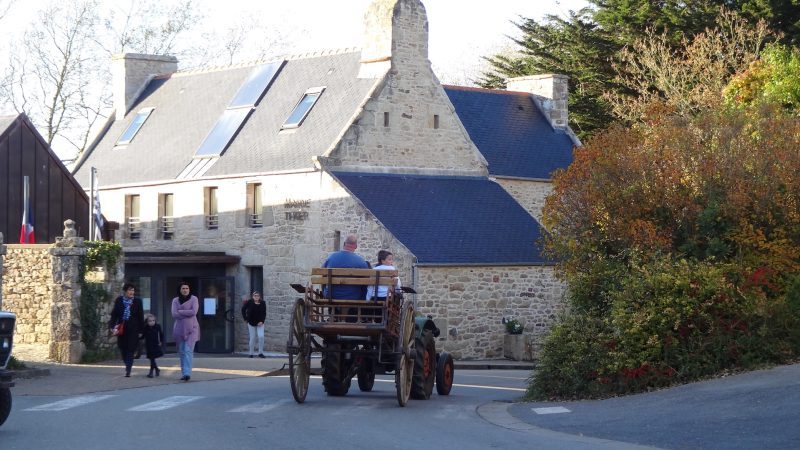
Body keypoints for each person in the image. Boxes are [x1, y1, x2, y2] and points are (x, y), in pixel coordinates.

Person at [108, 283, 145, 377]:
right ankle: (127, 364)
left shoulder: (137, 301)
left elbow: (140, 316)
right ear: (125, 291)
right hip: (122, 328)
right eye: (129, 290)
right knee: (122, 347)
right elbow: (114, 315)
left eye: (133, 290)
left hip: (133, 329)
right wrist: (112, 326)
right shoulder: (119, 300)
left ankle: (128, 368)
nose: (131, 292)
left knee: (131, 349)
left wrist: (141, 330)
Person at [322, 234, 369, 300]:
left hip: (332, 295)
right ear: (356, 246)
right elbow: (366, 281)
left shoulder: (331, 257)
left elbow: (322, 273)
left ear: (344, 244)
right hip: (355, 297)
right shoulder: (361, 261)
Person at [171, 281, 200, 382]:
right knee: (182, 352)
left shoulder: (194, 299)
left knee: (188, 351)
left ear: (189, 289)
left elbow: (194, 312)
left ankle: (187, 373)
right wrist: (185, 313)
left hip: (192, 328)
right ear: (180, 290)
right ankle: (184, 373)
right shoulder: (175, 300)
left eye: (187, 288)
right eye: (183, 288)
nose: (185, 290)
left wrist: (181, 311)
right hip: (179, 329)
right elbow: (174, 314)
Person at [241, 291, 267, 358]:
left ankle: (260, 353)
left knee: (261, 336)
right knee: (252, 338)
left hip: (260, 323)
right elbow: (243, 309)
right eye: (255, 296)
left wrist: (262, 321)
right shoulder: (250, 302)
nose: (256, 297)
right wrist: (245, 319)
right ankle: (251, 353)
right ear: (253, 296)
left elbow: (264, 313)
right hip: (251, 322)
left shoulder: (263, 303)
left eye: (257, 296)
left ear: (259, 297)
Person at [140, 314, 164, 378]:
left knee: (152, 358)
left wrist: (161, 341)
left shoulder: (157, 326)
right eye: (150, 321)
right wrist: (138, 337)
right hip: (148, 345)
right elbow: (143, 336)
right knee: (151, 358)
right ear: (147, 322)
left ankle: (151, 372)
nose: (152, 322)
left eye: (153, 320)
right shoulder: (146, 328)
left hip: (155, 344)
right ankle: (157, 369)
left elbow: (161, 334)